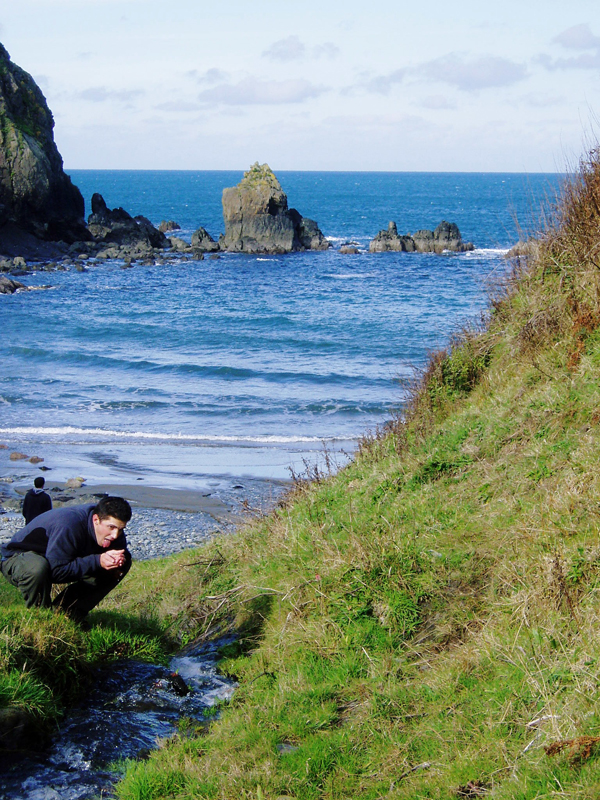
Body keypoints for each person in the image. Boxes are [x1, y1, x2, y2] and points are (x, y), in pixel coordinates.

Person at [0, 496, 132, 625]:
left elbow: (119, 557)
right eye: (111, 527)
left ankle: (68, 613)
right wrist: (97, 561)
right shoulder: (69, 525)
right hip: (18, 558)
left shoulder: (114, 533)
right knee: (37, 567)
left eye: (121, 529)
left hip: (54, 559)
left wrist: (115, 562)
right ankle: (40, 619)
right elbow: (56, 571)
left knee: (121, 564)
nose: (115, 535)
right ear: (96, 519)